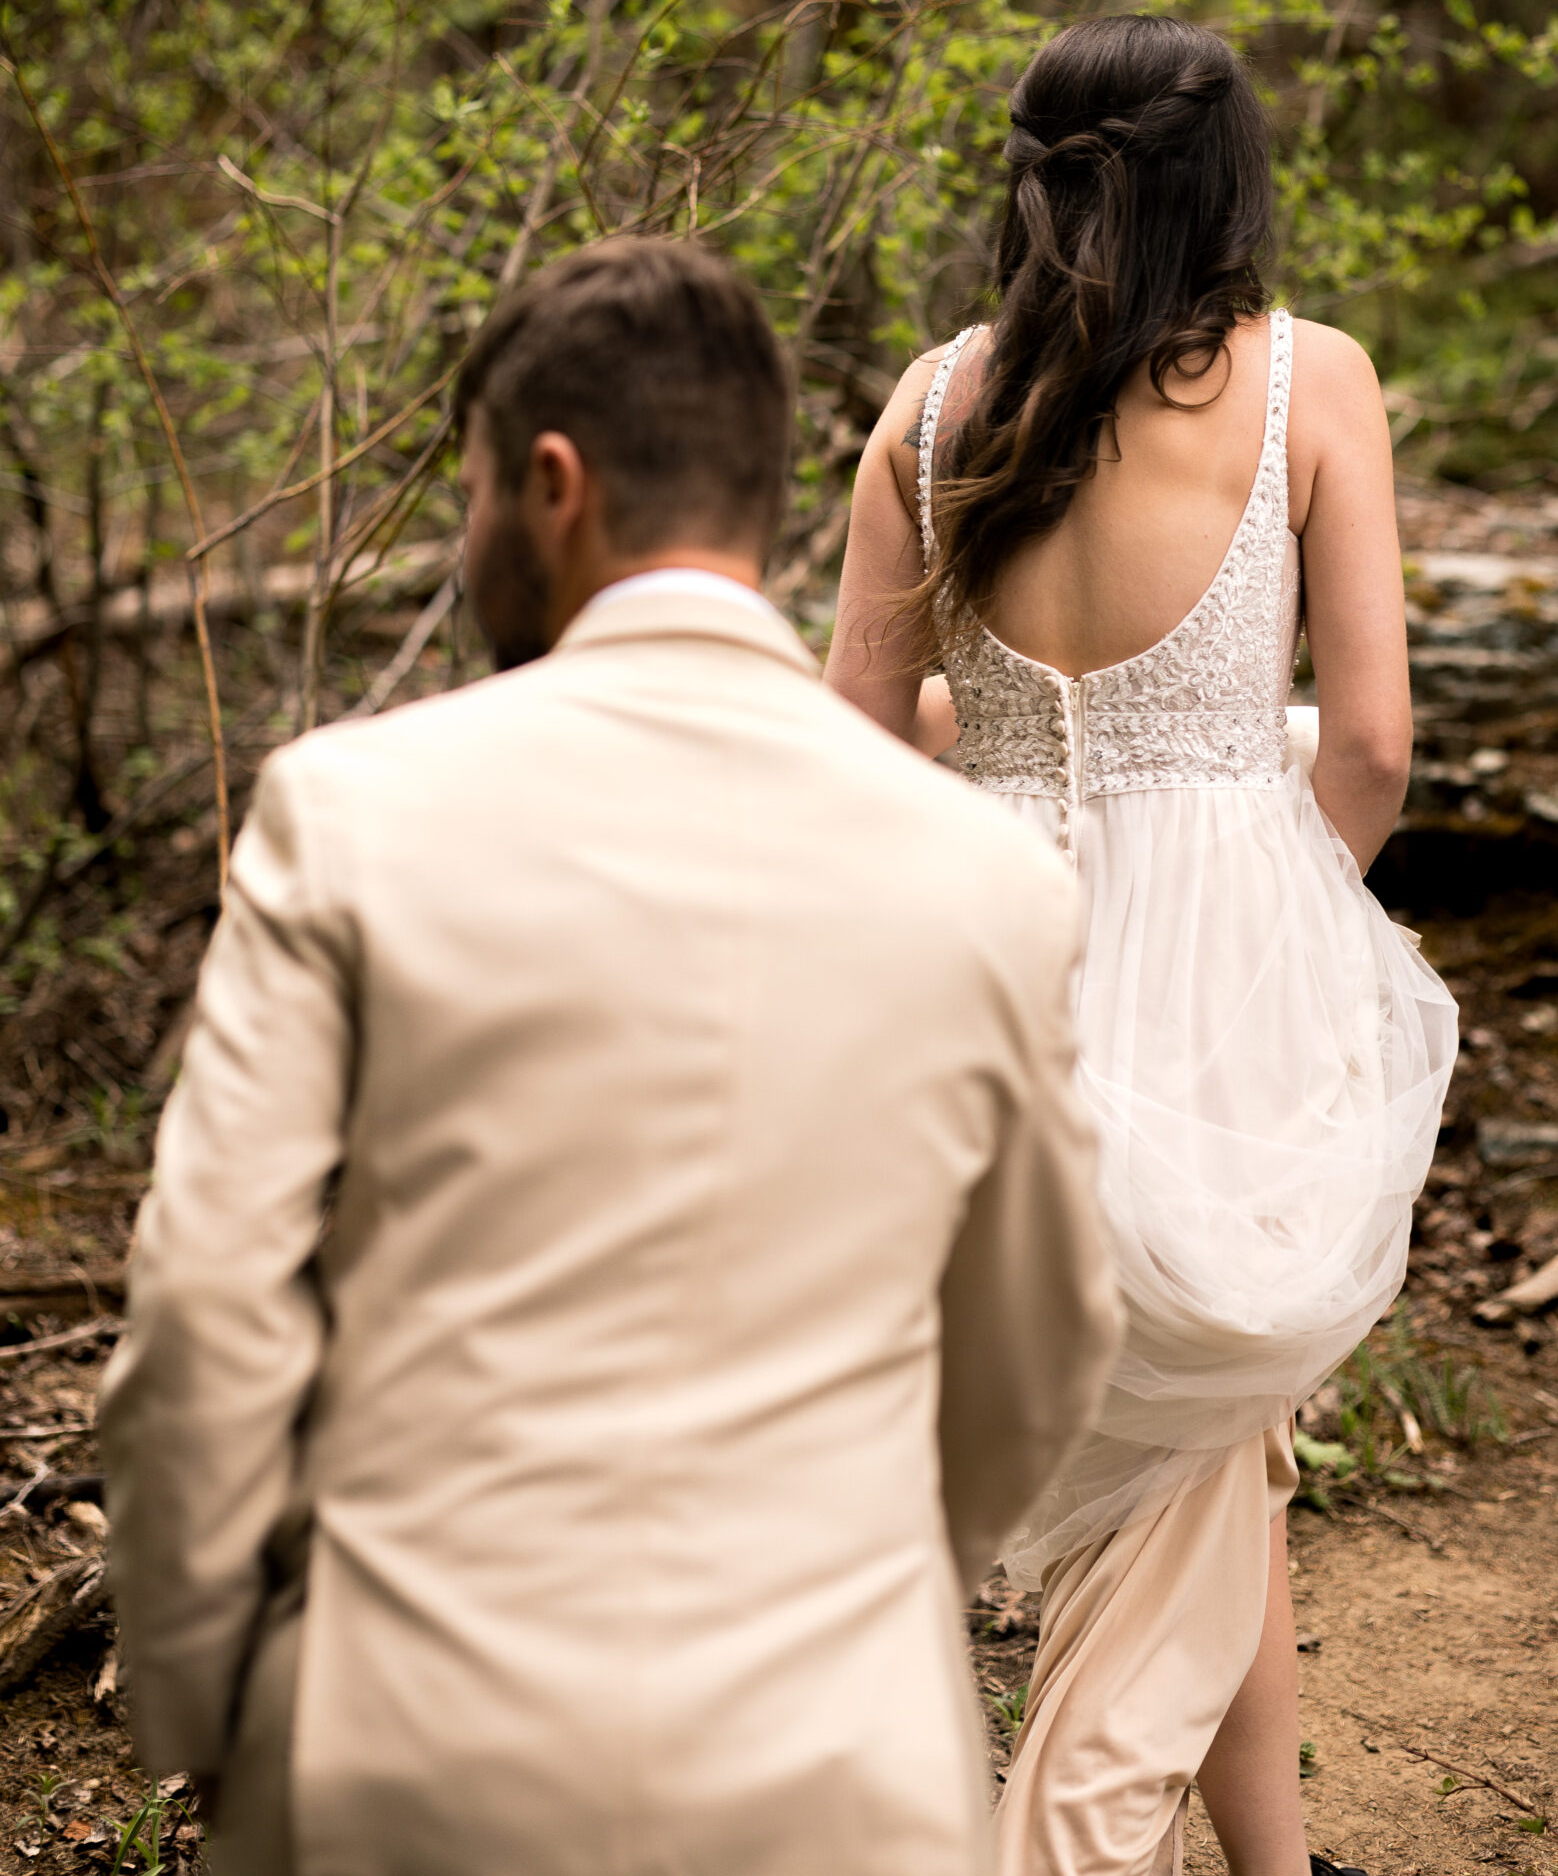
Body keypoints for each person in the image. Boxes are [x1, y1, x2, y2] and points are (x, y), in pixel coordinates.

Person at [101, 237, 1121, 1876]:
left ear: (553, 484)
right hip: (839, 1773)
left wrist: (220, 1714)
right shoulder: (988, 880)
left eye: (477, 488)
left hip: (409, 1751)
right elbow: (1040, 1340)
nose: (473, 532)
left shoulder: (352, 814)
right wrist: (866, 1605)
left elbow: (208, 1307)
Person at [827, 17, 1458, 1876]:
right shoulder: (1307, 384)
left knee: (1206, 1438)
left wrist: (986, 768)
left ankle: (1278, 1869)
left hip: (991, 960)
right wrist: (1295, 912)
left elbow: (842, 746)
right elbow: (1372, 745)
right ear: (1227, 179)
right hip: (1224, 957)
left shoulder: (931, 411)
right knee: (1201, 1430)